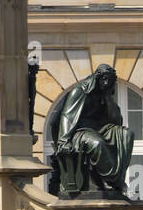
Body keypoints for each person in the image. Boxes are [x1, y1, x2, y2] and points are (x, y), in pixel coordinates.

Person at [47, 63, 135, 199]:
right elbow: (67, 117)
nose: (107, 84)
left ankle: (118, 181)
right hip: (79, 131)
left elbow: (116, 121)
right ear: (97, 78)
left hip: (100, 129)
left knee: (127, 135)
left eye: (110, 82)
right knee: (97, 143)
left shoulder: (103, 94)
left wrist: (107, 98)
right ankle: (113, 181)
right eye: (105, 80)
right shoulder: (80, 91)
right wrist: (64, 141)